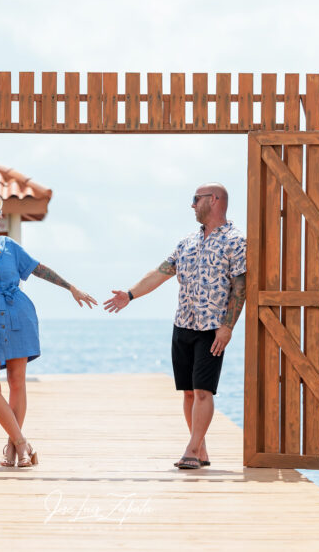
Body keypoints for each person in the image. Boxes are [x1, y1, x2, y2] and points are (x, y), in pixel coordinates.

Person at [104, 183, 246, 470]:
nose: (192, 205)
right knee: (190, 393)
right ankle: (201, 449)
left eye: (196, 199)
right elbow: (160, 272)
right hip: (183, 325)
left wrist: (228, 326)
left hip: (212, 328)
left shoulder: (236, 241)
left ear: (214, 200)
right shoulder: (186, 242)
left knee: (204, 391)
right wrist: (129, 295)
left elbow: (241, 286)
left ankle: (191, 450)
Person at [0, 193, 97, 468]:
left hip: (18, 315)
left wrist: (71, 288)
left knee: (17, 382)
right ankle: (22, 442)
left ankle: (13, 448)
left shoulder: (9, 245)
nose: (0, 216)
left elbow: (38, 269)